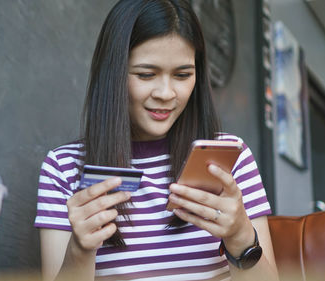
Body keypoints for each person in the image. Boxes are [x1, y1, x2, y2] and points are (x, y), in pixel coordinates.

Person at [34, 0, 279, 280]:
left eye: (183, 74)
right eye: (146, 74)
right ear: (113, 73)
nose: (166, 93)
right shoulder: (63, 169)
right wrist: (79, 250)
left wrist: (241, 237)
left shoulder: (230, 159)